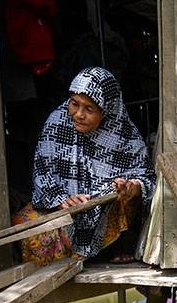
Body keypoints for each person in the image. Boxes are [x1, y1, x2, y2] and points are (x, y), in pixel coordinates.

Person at [18, 66, 155, 264]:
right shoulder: (57, 122)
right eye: (74, 104)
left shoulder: (125, 135)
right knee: (26, 224)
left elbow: (146, 177)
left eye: (89, 109)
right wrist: (62, 199)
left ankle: (111, 248)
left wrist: (131, 187)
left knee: (122, 199)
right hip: (61, 209)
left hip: (102, 210)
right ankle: (78, 254)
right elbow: (42, 171)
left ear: (107, 110)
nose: (78, 114)